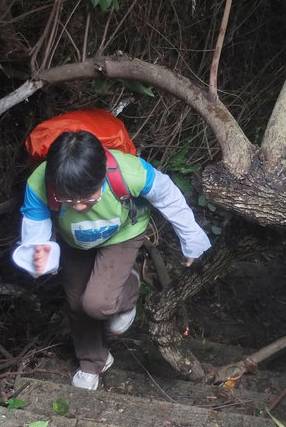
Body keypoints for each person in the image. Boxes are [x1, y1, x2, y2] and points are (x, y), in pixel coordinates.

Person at [13, 129, 211, 390]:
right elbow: (35, 227)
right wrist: (38, 252)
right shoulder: (40, 183)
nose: (78, 206)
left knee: (97, 304)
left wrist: (193, 241)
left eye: (88, 197)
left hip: (123, 234)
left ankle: (129, 287)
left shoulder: (130, 172)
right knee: (76, 304)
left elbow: (169, 198)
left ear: (103, 173)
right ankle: (93, 362)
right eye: (67, 199)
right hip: (75, 242)